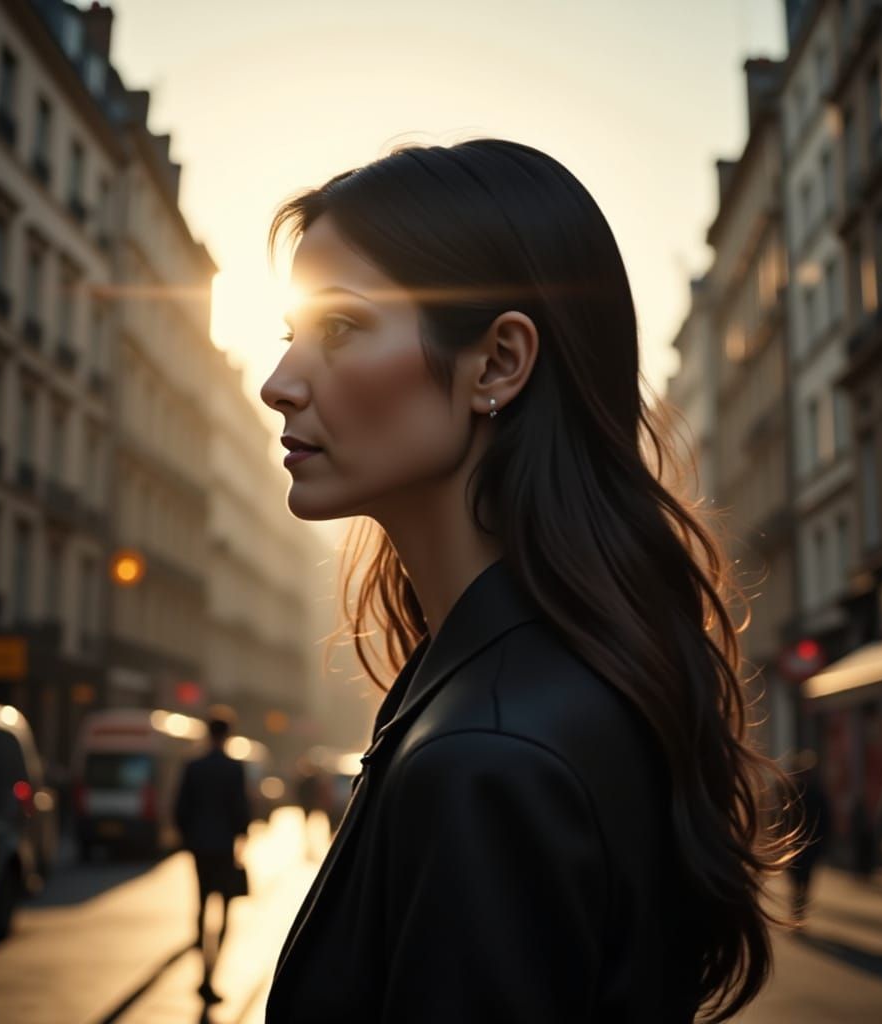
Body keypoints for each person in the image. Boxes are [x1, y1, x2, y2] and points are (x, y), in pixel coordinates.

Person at [259, 139, 794, 1022]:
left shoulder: (488, 758)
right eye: (293, 336)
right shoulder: (540, 688)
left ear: (499, 364)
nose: (280, 384)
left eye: (342, 329)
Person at [174, 707, 252, 1004]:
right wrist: (241, 838)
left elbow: (180, 807)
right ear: (228, 734)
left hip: (200, 845)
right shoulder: (234, 768)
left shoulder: (193, 766)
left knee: (202, 899)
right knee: (225, 907)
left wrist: (188, 836)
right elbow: (241, 809)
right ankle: (212, 968)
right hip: (223, 847)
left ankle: (200, 957)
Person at [784, 750, 831, 921]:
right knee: (802, 878)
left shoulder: (795, 791)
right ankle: (799, 907)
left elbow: (825, 820)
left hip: (801, 844)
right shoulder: (795, 791)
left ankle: (798, 908)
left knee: (800, 878)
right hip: (802, 844)